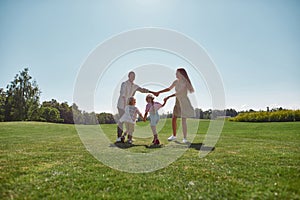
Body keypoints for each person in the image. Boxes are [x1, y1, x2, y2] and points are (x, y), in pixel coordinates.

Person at [116, 71, 158, 142]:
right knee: (122, 121)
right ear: (129, 76)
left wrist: (153, 92)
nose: (133, 77)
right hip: (122, 105)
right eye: (131, 76)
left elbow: (143, 90)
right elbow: (123, 95)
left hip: (129, 107)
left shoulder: (135, 86)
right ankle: (119, 137)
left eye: (134, 76)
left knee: (129, 122)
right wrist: (124, 108)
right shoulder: (124, 84)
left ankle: (129, 138)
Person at [157, 68, 195, 143]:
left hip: (184, 101)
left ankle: (184, 138)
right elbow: (168, 89)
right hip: (177, 102)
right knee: (174, 118)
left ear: (181, 74)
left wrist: (168, 97)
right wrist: (159, 92)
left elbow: (179, 93)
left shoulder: (185, 82)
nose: (175, 74)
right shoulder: (175, 82)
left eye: (177, 73)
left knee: (183, 120)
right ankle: (174, 136)